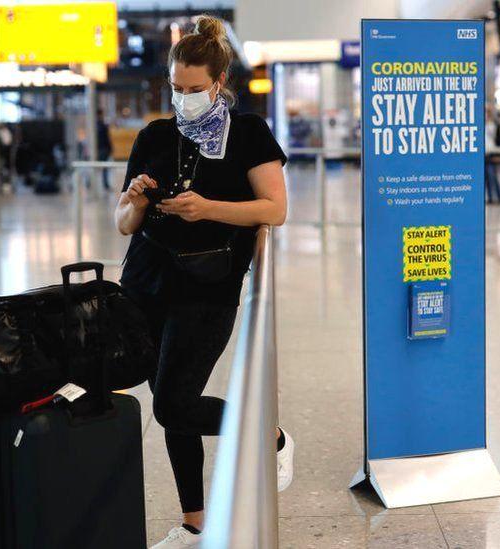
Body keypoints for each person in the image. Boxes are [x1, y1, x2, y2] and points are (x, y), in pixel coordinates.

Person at [113, 15, 292, 548]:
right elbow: (123, 223)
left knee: (173, 403)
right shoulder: (154, 136)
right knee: (173, 409)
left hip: (208, 287)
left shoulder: (250, 133)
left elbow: (274, 209)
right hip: (146, 283)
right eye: (176, 88)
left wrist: (207, 208)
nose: (184, 98)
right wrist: (137, 200)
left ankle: (270, 436)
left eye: (194, 89)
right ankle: (194, 522)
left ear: (218, 82)